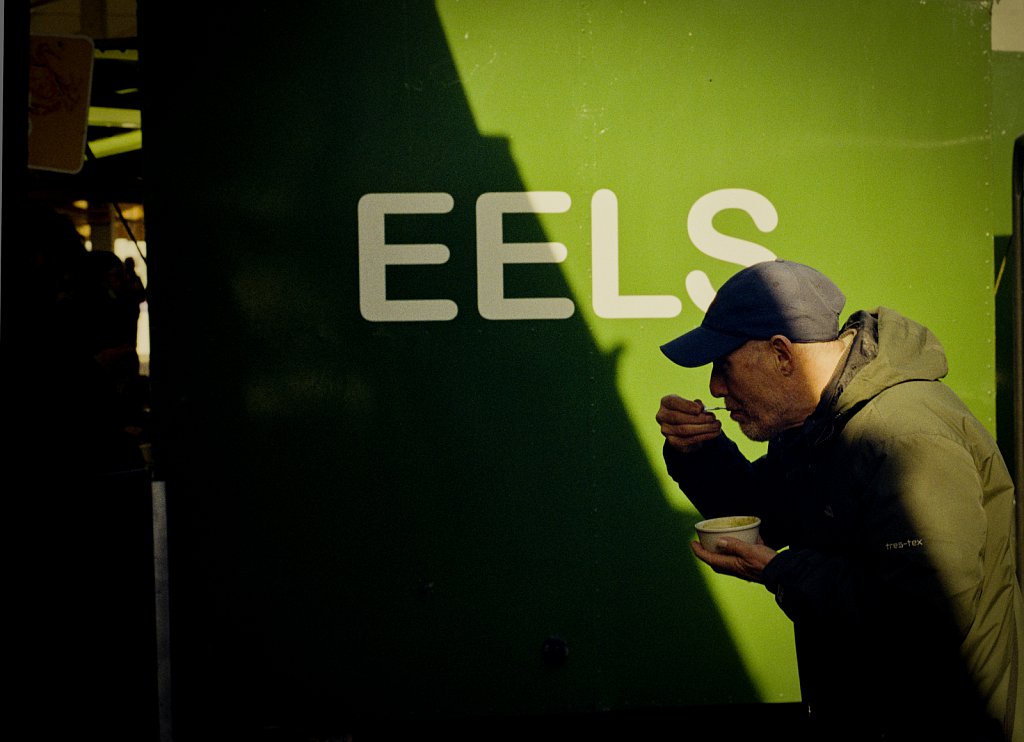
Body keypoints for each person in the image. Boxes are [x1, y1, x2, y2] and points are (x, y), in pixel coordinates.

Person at [655, 259, 1022, 741]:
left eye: (723, 366)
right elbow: (761, 511)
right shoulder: (821, 422)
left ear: (782, 354)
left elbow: (922, 616)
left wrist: (778, 571)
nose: (715, 388)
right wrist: (696, 451)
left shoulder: (903, 435)